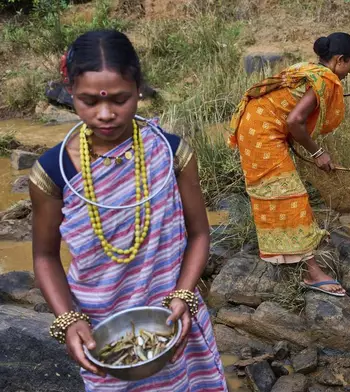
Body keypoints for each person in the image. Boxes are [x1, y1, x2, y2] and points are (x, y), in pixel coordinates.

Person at [29, 30, 227, 391]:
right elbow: (44, 256)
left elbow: (199, 234)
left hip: (173, 320)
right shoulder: (54, 171)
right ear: (69, 91)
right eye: (88, 101)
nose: (105, 114)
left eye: (120, 99)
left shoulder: (170, 154)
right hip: (102, 331)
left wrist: (183, 294)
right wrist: (68, 320)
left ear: (139, 89)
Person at [228, 32, 350, 297]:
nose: (349, 72)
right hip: (261, 134)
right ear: (339, 60)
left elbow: (284, 112)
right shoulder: (324, 78)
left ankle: (291, 250)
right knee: (290, 196)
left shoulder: (307, 69)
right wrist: (318, 153)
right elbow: (294, 121)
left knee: (282, 192)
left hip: (255, 127)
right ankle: (312, 273)